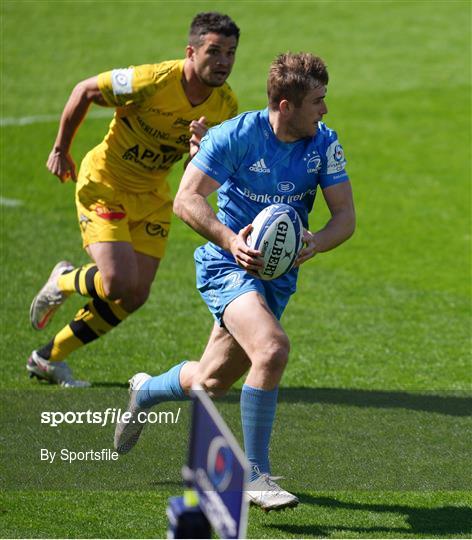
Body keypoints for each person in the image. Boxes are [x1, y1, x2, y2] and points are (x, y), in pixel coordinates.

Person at [114, 52, 355, 510]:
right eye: (318, 101)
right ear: (286, 105)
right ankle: (255, 476)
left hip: (276, 277)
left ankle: (145, 390)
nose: (325, 110)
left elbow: (345, 216)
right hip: (228, 265)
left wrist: (318, 241)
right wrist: (230, 241)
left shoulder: (324, 143)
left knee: (210, 381)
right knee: (272, 348)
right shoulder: (235, 136)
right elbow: (186, 199)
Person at [27, 12, 240, 387]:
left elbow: (203, 173)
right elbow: (85, 91)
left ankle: (48, 358)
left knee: (136, 295)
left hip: (153, 195)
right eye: (214, 51)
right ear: (191, 52)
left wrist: (198, 151)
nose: (223, 62)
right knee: (118, 283)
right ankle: (63, 280)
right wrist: (61, 149)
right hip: (106, 183)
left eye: (231, 53)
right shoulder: (151, 81)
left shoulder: (224, 106)